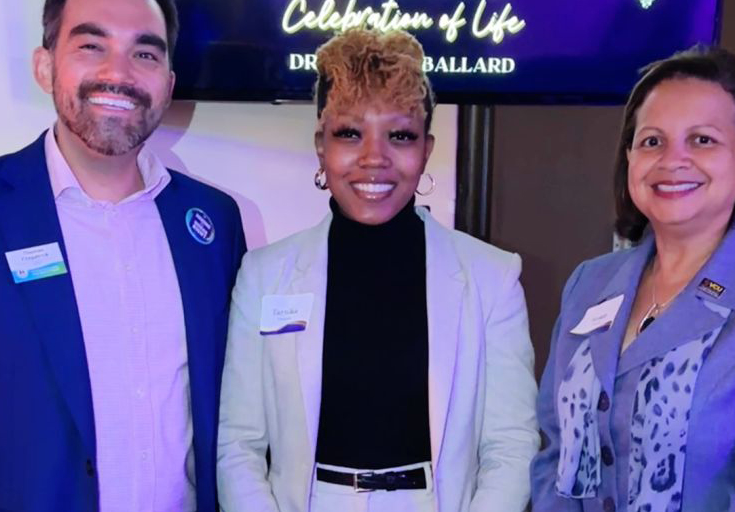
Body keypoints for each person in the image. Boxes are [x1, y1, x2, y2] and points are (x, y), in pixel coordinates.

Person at [217, 28, 538, 512]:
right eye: (350, 133)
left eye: (400, 135)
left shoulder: (491, 278)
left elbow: (511, 446)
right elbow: (238, 445)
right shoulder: (263, 276)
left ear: (426, 149)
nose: (374, 158)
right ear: (321, 145)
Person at [0, 0, 245, 511]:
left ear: (168, 82)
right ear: (45, 66)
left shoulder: (212, 222)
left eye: (145, 53)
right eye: (91, 46)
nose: (118, 74)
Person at [531, 48, 735, 511]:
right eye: (652, 141)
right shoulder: (589, 282)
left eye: (702, 140)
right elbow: (555, 451)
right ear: (630, 158)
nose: (672, 160)